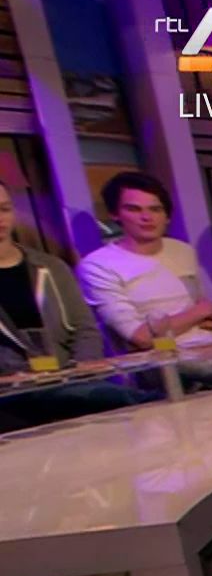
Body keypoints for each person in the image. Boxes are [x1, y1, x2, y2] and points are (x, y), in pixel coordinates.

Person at [75, 172, 212, 388]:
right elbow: (141, 337)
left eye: (155, 209)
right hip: (162, 362)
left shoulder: (182, 250)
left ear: (167, 216)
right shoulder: (98, 265)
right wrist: (197, 314)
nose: (146, 217)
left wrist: (188, 318)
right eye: (134, 209)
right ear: (115, 214)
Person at [0, 181, 149, 430]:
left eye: (4, 209)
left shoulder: (51, 267)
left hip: (67, 380)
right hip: (10, 394)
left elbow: (84, 327)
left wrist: (83, 368)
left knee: (115, 404)